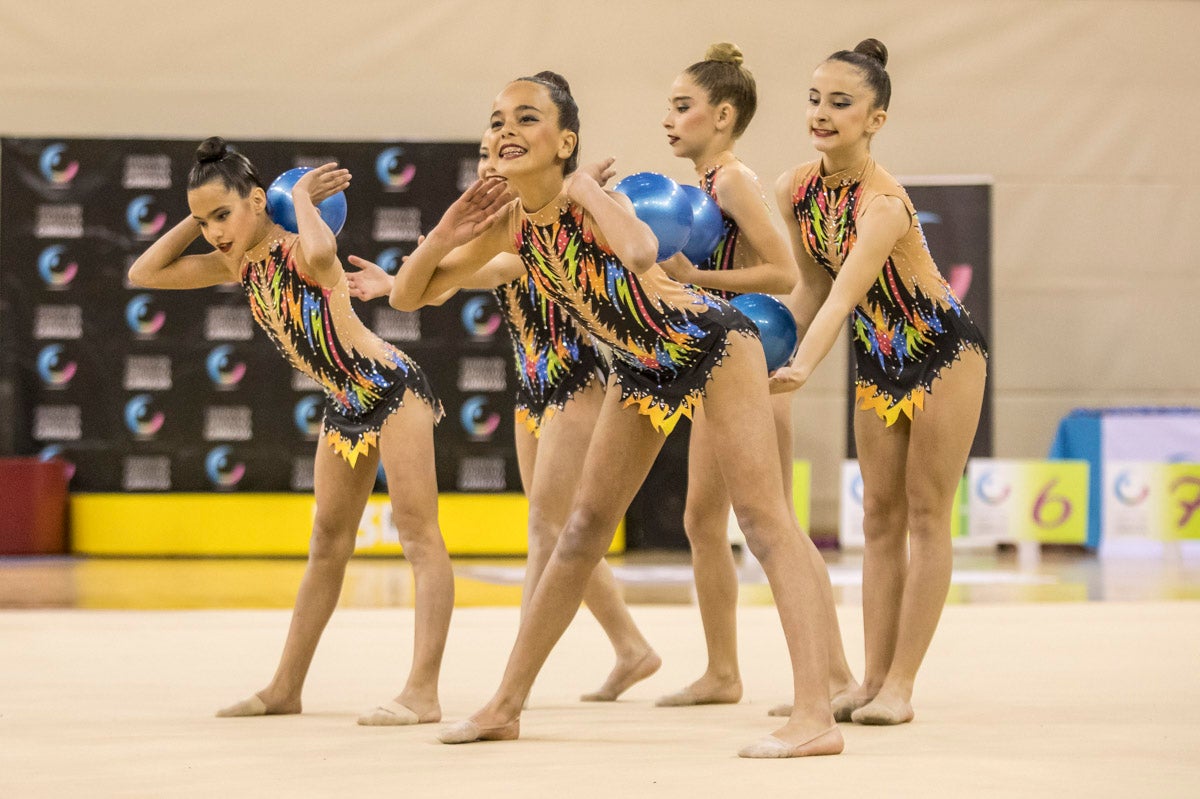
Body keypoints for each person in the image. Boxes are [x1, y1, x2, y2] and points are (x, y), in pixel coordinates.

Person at [387, 71, 843, 758]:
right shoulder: (512, 222)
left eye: (527, 118)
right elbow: (407, 295)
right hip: (641, 366)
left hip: (713, 344)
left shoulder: (585, 198)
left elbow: (638, 250)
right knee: (580, 532)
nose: (505, 130)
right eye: (497, 119)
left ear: (565, 140)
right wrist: (447, 230)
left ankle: (816, 714)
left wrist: (589, 189)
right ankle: (505, 703)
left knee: (763, 520)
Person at [128, 138, 454, 726]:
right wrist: (204, 210)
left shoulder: (302, 251)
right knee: (327, 542)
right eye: (206, 224)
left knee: (418, 535)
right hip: (343, 402)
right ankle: (285, 687)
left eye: (224, 216)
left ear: (260, 201)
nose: (215, 233)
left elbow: (325, 250)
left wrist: (298, 194)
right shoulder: (236, 262)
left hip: (391, 389)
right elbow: (143, 272)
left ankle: (423, 692)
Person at [345, 137, 660, 703]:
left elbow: (491, 272)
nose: (490, 170)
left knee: (547, 528)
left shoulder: (541, 228)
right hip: (532, 388)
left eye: (500, 160)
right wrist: (400, 283)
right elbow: (442, 287)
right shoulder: (501, 228)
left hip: (576, 381)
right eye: (484, 161)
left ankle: (515, 681)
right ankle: (632, 648)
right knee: (558, 529)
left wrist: (429, 268)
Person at [770, 39, 988, 725]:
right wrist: (759, 347)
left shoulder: (883, 203)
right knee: (877, 517)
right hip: (879, 357)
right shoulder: (794, 189)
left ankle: (901, 683)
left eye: (841, 103)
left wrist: (803, 364)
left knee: (926, 513)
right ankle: (868, 679)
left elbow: (844, 296)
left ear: (875, 119)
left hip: (942, 351)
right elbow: (810, 286)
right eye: (815, 100)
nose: (822, 113)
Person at [655, 42, 858, 713]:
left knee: (777, 528)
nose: (670, 118)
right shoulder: (699, 190)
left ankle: (834, 675)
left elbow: (782, 274)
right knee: (701, 519)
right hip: (721, 365)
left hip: (755, 362)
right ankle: (721, 670)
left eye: (683, 107)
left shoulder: (734, 180)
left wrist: (695, 278)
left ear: (722, 115)